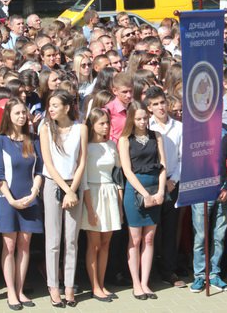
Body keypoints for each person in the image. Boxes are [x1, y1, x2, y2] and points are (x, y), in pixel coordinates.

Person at [0, 99, 44, 309]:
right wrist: (12, 200)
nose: (22, 116)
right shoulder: (0, 141)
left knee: (25, 245)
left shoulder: (34, 139)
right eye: (17, 113)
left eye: (24, 112)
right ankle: (11, 292)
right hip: (8, 200)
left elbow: (40, 170)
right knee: (10, 245)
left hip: (30, 199)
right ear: (8, 116)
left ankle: (21, 290)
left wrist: (34, 193)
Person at [39, 89, 87, 307]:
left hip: (74, 184)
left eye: (56, 105)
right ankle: (53, 285)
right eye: (50, 105)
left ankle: (69, 286)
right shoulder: (45, 129)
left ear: (67, 107)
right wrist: (65, 190)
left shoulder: (81, 129)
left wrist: (72, 189)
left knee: (71, 240)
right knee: (53, 239)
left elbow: (82, 161)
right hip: (53, 185)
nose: (51, 109)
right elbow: (47, 163)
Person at [119, 101, 167, 300]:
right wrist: (144, 194)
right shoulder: (124, 139)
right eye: (138, 118)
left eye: (145, 118)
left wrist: (161, 191)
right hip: (135, 190)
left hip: (156, 187)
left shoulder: (156, 136)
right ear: (131, 118)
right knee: (135, 238)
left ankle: (146, 283)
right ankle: (136, 283)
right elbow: (127, 170)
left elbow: (163, 165)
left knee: (149, 238)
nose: (142, 122)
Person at [145, 87, 185, 288]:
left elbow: (182, 158)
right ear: (149, 108)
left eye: (162, 102)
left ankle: (169, 270)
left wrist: (173, 180)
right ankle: (148, 272)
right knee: (150, 232)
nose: (160, 107)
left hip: (171, 182)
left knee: (170, 229)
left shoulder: (178, 127)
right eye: (155, 104)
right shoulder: (147, 126)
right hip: (151, 184)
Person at [81, 108, 123, 302]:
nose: (106, 126)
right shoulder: (86, 147)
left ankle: (102, 283)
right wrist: (89, 209)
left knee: (106, 243)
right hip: (93, 194)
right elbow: (84, 179)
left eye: (107, 122)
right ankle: (94, 286)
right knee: (94, 244)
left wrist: (120, 204)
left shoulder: (112, 146)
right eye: (101, 123)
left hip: (110, 194)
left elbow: (118, 175)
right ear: (92, 125)